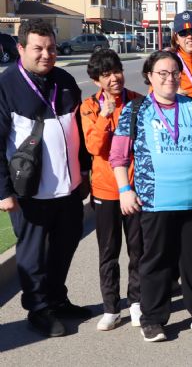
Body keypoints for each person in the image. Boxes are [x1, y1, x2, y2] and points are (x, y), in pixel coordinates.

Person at [109, 51, 192, 342]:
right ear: (150, 76)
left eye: (175, 73)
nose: (169, 79)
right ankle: (153, 319)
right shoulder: (136, 110)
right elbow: (118, 156)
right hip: (155, 201)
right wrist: (124, 190)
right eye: (162, 73)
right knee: (156, 262)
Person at [0, 19, 92, 337]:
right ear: (20, 48)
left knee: (64, 247)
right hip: (29, 192)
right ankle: (38, 309)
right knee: (32, 256)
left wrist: (84, 173)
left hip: (68, 189)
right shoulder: (7, 85)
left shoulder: (65, 80)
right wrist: (3, 192)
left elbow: (78, 131)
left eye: (51, 48)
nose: (46, 54)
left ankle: (56, 298)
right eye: (38, 48)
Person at [80, 50, 143, 331]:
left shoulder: (138, 102)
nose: (114, 77)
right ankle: (111, 308)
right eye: (106, 74)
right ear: (96, 81)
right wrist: (105, 116)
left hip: (135, 189)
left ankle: (137, 303)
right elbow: (94, 148)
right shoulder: (88, 107)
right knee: (108, 252)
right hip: (105, 190)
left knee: (138, 250)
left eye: (116, 70)